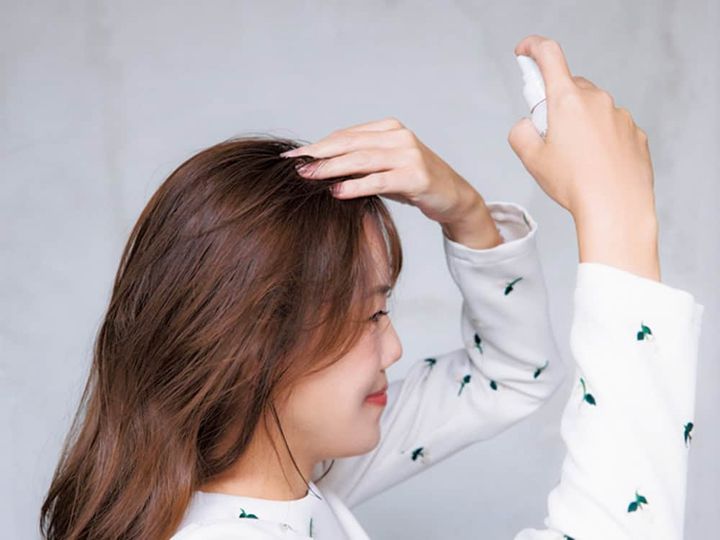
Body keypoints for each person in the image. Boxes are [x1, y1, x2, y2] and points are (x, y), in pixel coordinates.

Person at [39, 35, 703, 540]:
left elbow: (509, 376)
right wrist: (616, 213)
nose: (394, 347)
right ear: (251, 342)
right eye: (368, 315)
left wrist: (466, 214)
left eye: (384, 308)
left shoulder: (280, 478)